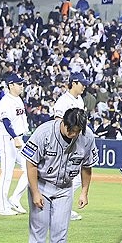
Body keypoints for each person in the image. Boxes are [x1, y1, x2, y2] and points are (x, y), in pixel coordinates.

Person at [22, 108, 97, 243]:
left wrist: (84, 191)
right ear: (63, 122)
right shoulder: (44, 132)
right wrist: (35, 192)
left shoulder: (87, 137)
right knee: (38, 230)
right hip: (41, 184)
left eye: (77, 131)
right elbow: (31, 164)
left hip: (65, 187)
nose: (73, 134)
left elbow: (87, 166)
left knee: (60, 231)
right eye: (71, 129)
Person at [50, 72, 88, 221]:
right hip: (64, 145)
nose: (84, 86)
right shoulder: (63, 101)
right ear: (74, 83)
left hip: (75, 144)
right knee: (66, 177)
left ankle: (62, 206)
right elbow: (58, 123)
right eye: (82, 83)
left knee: (75, 177)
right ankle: (60, 207)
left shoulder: (80, 100)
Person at [0, 73, 30, 216]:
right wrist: (15, 137)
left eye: (22, 84)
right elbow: (6, 121)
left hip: (19, 138)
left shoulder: (18, 99)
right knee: (7, 173)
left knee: (30, 169)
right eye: (19, 84)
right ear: (11, 85)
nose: (22, 86)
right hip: (8, 139)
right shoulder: (5, 101)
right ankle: (3, 207)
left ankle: (15, 198)